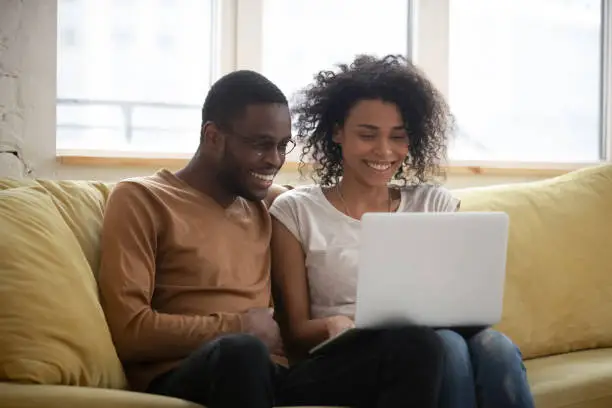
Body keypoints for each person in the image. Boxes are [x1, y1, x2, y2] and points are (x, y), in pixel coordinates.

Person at [98, 69, 445, 408]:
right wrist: (238, 326)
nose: (275, 160)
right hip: (189, 371)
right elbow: (130, 332)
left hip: (275, 376)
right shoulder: (142, 199)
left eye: (282, 146)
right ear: (213, 136)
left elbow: (328, 214)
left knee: (415, 344)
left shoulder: (272, 204)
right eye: (261, 145)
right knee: (241, 351)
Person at [269, 54, 536, 408]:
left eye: (398, 136)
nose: (384, 150)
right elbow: (296, 332)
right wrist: (336, 322)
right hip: (350, 357)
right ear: (337, 131)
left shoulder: (434, 204)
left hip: (431, 340)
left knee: (497, 348)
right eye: (367, 135)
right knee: (447, 348)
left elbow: (457, 300)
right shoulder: (296, 212)